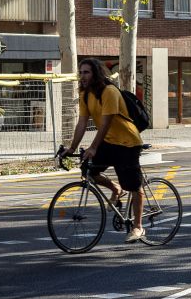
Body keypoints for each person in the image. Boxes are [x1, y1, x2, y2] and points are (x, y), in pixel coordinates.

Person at [60, 58, 146, 243]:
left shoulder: (109, 92)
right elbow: (82, 122)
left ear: (96, 74)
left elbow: (106, 123)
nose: (82, 76)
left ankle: (138, 227)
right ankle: (115, 189)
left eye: (86, 72)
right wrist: (72, 147)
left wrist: (93, 147)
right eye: (81, 72)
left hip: (127, 142)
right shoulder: (85, 94)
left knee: (133, 185)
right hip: (108, 141)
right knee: (88, 170)